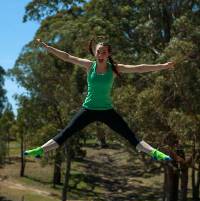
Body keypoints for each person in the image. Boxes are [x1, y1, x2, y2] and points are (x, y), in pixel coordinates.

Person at [24, 38, 174, 160]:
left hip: (107, 111)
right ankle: (40, 150)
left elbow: (139, 68)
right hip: (88, 109)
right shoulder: (89, 66)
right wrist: (49, 48)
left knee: (130, 135)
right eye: (98, 51)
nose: (101, 54)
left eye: (104, 52)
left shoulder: (114, 68)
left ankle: (154, 153)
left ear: (108, 54)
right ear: (95, 53)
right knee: (66, 133)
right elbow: (67, 57)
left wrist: (163, 66)